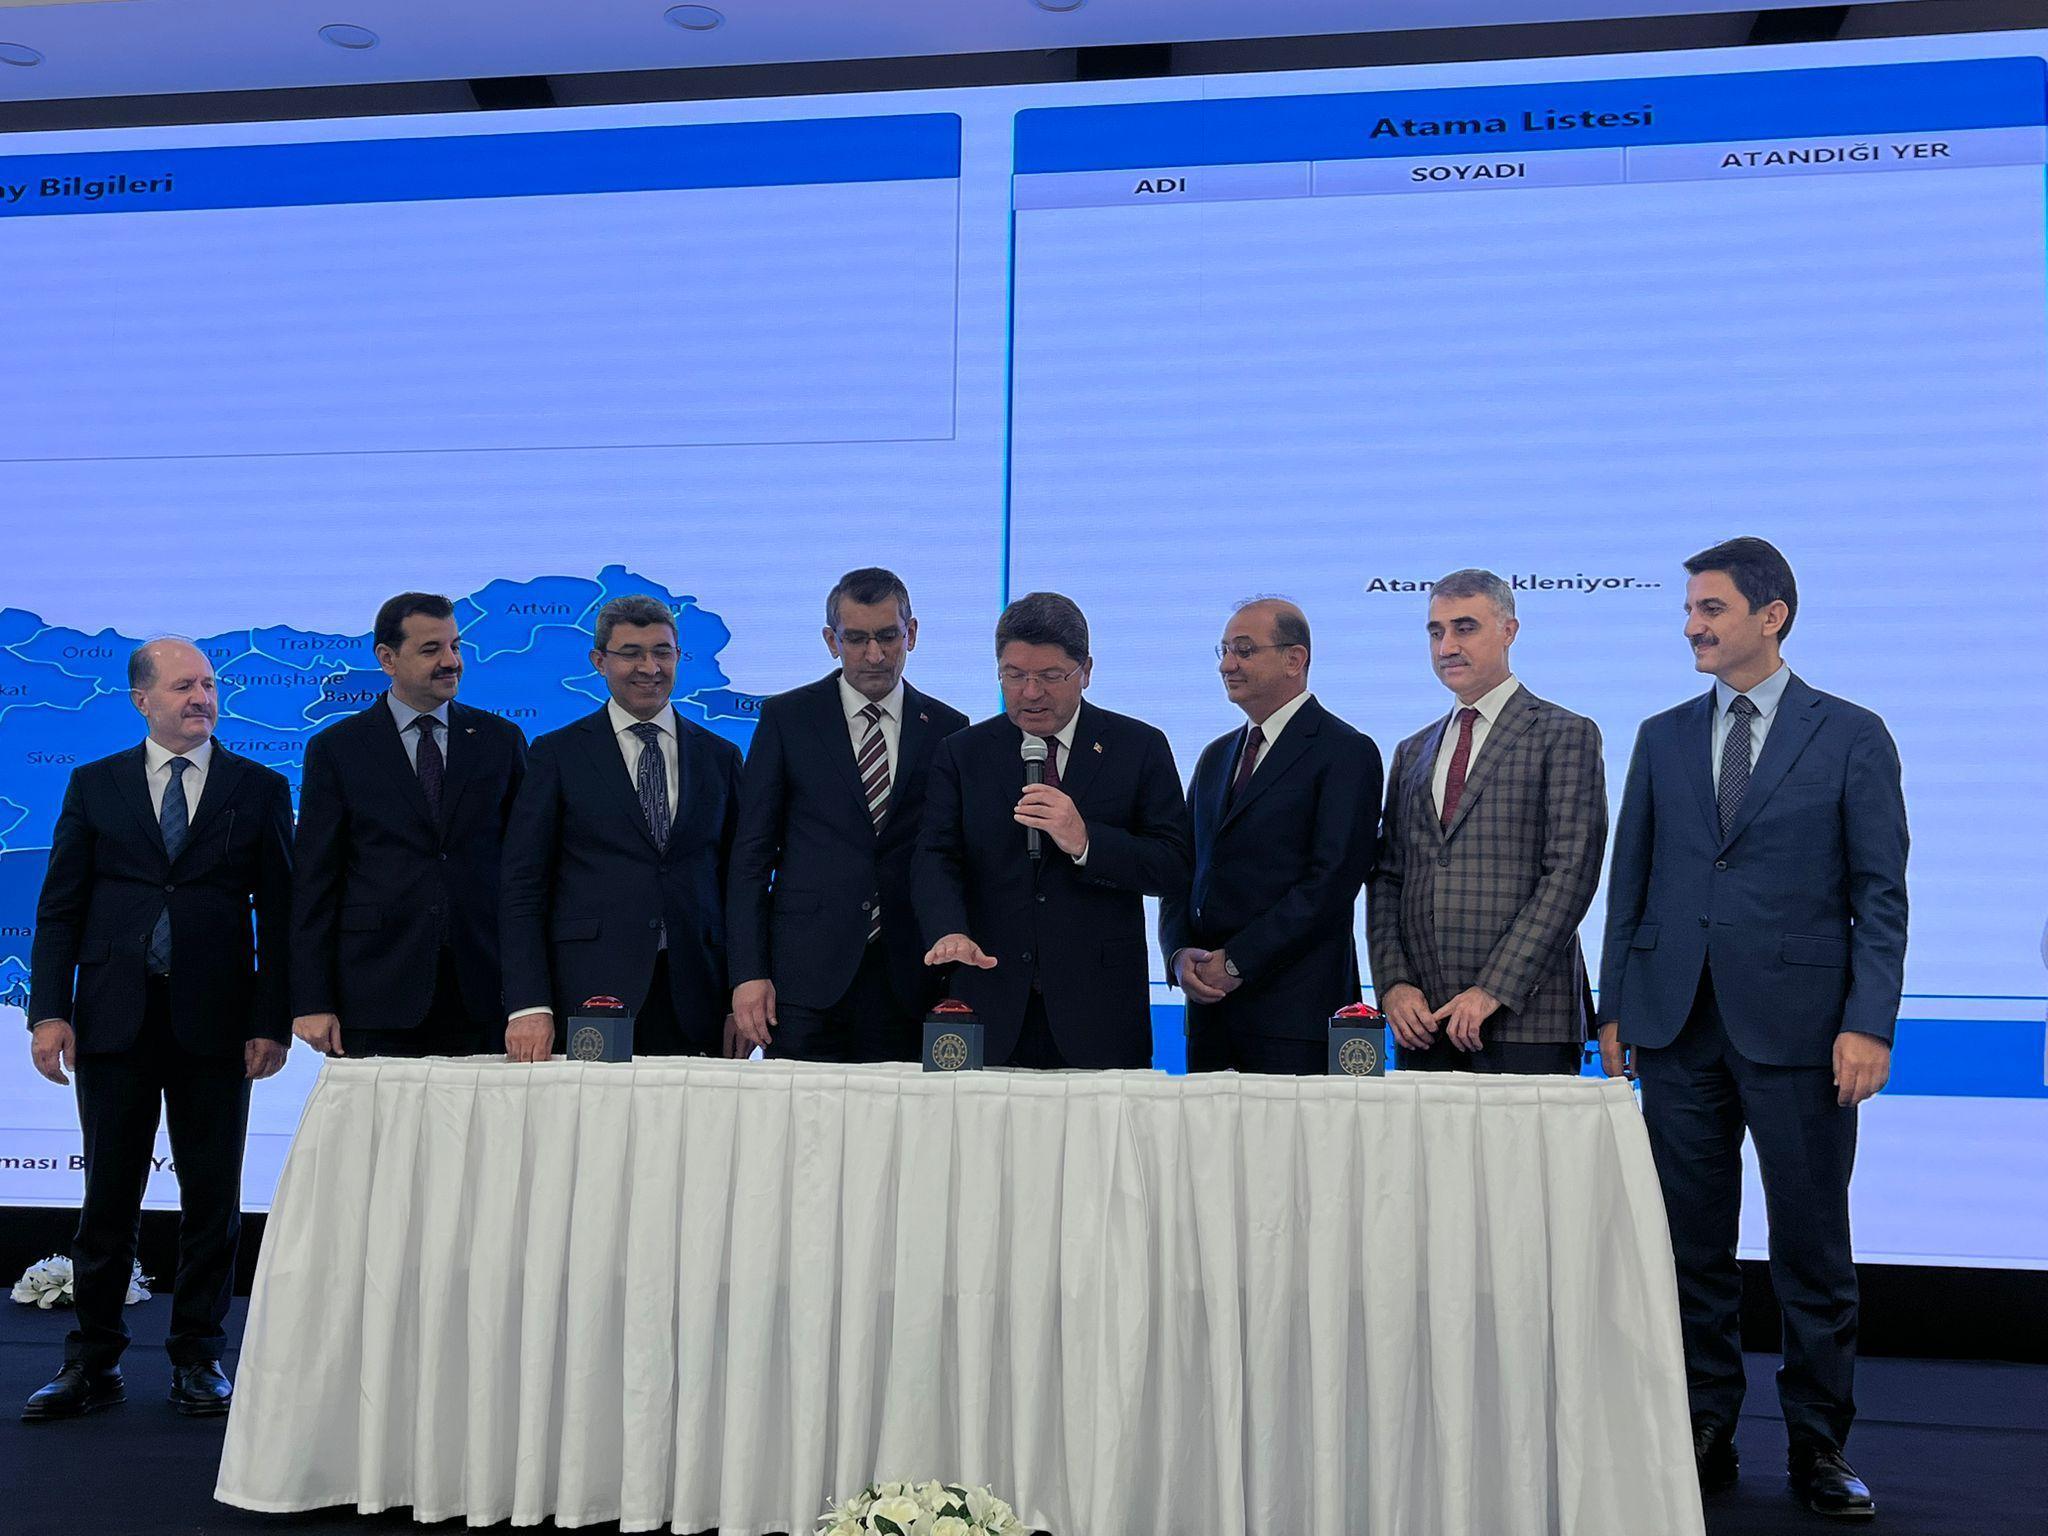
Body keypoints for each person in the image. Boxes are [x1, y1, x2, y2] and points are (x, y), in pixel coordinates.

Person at [1599, 537, 1906, 1519]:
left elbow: (1879, 895)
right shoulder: (1660, 736)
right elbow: (1631, 878)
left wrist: (1867, 1023)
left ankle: (1818, 1446)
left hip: (1804, 1032)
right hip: (1675, 1023)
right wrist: (1615, 1005)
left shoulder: (1851, 735)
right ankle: (1703, 1430)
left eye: (1710, 609)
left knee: (1809, 1249)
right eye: (1689, 609)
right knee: (1690, 1249)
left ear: (1770, 617)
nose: (1690, 625)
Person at [22, 638, 292, 1421]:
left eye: (208, 684)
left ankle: (199, 1357)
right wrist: (49, 1010)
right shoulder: (94, 783)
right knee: (108, 1198)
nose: (201, 698)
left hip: (218, 1023)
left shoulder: (260, 787)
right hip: (114, 1020)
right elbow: (60, 908)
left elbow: (281, 918)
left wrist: (271, 1020)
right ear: (142, 699)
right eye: (183, 686)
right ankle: (93, 1361)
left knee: (212, 1197)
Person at [914, 592, 1190, 1068]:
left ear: (1086, 670)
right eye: (1014, 675)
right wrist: (948, 928)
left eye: (1049, 676)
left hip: (1100, 1011)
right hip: (990, 1000)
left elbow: (1173, 865)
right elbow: (936, 856)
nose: (1030, 692)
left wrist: (1086, 842)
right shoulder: (963, 753)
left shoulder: (1138, 747)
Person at [1368, 569, 1607, 1073]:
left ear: (1508, 631)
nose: (1447, 646)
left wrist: (1493, 988)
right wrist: (1393, 984)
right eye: (1436, 632)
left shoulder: (1565, 733)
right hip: (1424, 1023)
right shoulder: (1412, 750)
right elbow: (1388, 877)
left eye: (1465, 628)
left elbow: (1570, 874)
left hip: (1527, 1020)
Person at [727, 569, 968, 1061]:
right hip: (803, 982)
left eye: (888, 636)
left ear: (911, 633)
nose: (874, 654)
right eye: (856, 639)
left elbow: (951, 855)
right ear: (831, 641)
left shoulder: (948, 729)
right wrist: (748, 974)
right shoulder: (787, 719)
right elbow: (751, 857)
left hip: (909, 978)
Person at [499, 594, 742, 1060]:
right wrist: (529, 1004)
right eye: (631, 653)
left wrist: (741, 993)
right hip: (589, 993)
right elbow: (522, 888)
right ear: (599, 661)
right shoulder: (557, 755)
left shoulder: (720, 757)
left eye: (662, 652)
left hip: (699, 996)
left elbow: (739, 884)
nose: (649, 667)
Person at [290, 593, 527, 1058]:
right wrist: (312, 999)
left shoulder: (500, 741)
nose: (451, 661)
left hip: (484, 992)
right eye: (431, 649)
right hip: (374, 994)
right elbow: (314, 883)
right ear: (387, 658)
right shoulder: (337, 749)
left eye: (455, 646)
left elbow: (526, 870)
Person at [1160, 598, 1382, 1073]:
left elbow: (1331, 884)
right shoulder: (1216, 755)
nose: (1227, 665)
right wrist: (1178, 954)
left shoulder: (1345, 751)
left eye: (1244, 650)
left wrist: (1237, 961)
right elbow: (1182, 867)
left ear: (1294, 659)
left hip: (1296, 1018)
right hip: (1210, 1016)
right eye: (1223, 650)